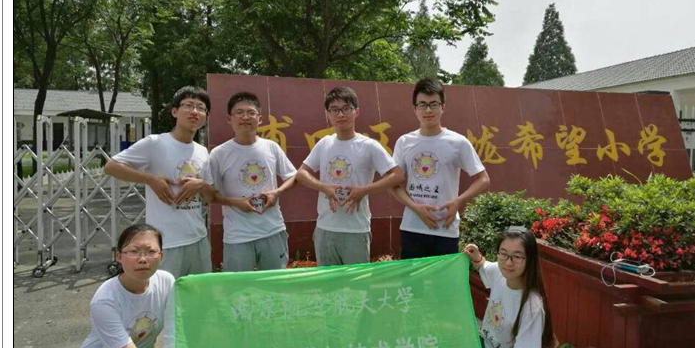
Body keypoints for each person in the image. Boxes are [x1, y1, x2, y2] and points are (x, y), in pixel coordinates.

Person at [64, 224, 175, 348]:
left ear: (161, 256)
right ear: (119, 257)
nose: (143, 259)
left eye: (150, 251)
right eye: (134, 251)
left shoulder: (166, 282)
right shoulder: (105, 300)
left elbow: (182, 328)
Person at [104, 86, 215, 278]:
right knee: (164, 294)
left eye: (201, 108)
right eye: (188, 106)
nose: (195, 112)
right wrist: (151, 180)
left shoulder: (202, 151)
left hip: (199, 239)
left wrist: (201, 185)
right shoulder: (155, 143)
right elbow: (111, 167)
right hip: (165, 243)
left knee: (200, 294)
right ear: (175, 111)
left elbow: (210, 197)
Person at [295, 86, 405, 266]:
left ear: (356, 112)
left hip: (356, 229)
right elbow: (301, 173)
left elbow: (397, 175)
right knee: (328, 282)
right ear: (328, 114)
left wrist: (363, 190)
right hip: (325, 227)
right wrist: (324, 188)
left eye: (346, 109)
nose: (340, 115)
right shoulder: (324, 144)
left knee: (356, 283)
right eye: (334, 110)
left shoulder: (369, 146)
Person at [464, 226, 555, 348]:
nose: (508, 262)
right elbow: (484, 266)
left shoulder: (531, 306)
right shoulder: (500, 272)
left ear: (529, 259)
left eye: (517, 257)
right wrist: (477, 258)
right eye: (503, 254)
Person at [390, 78, 490, 259]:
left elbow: (483, 179)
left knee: (442, 278)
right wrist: (415, 207)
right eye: (422, 105)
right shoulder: (404, 142)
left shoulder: (458, 142)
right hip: (412, 228)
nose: (428, 110)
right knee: (413, 278)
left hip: (445, 230)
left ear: (443, 107)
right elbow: (392, 184)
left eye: (433, 104)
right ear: (415, 109)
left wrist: (459, 201)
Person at [209, 92, 297, 272]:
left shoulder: (271, 147)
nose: (245, 117)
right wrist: (236, 202)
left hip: (272, 231)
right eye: (239, 113)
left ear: (260, 119)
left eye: (251, 113)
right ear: (229, 118)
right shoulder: (219, 154)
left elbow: (293, 176)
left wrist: (276, 193)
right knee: (238, 287)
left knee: (274, 284)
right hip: (238, 236)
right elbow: (210, 195)